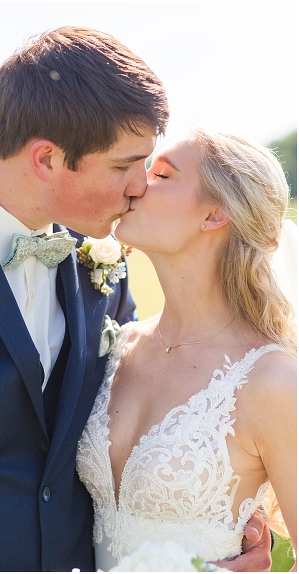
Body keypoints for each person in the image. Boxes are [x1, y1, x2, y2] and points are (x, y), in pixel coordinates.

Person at [0, 26, 270, 571]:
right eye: (124, 165)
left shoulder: (99, 255)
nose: (138, 187)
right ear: (47, 160)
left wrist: (219, 530)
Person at [76, 130, 296, 569]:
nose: (135, 184)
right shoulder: (117, 346)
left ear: (215, 214)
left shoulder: (273, 381)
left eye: (160, 173)